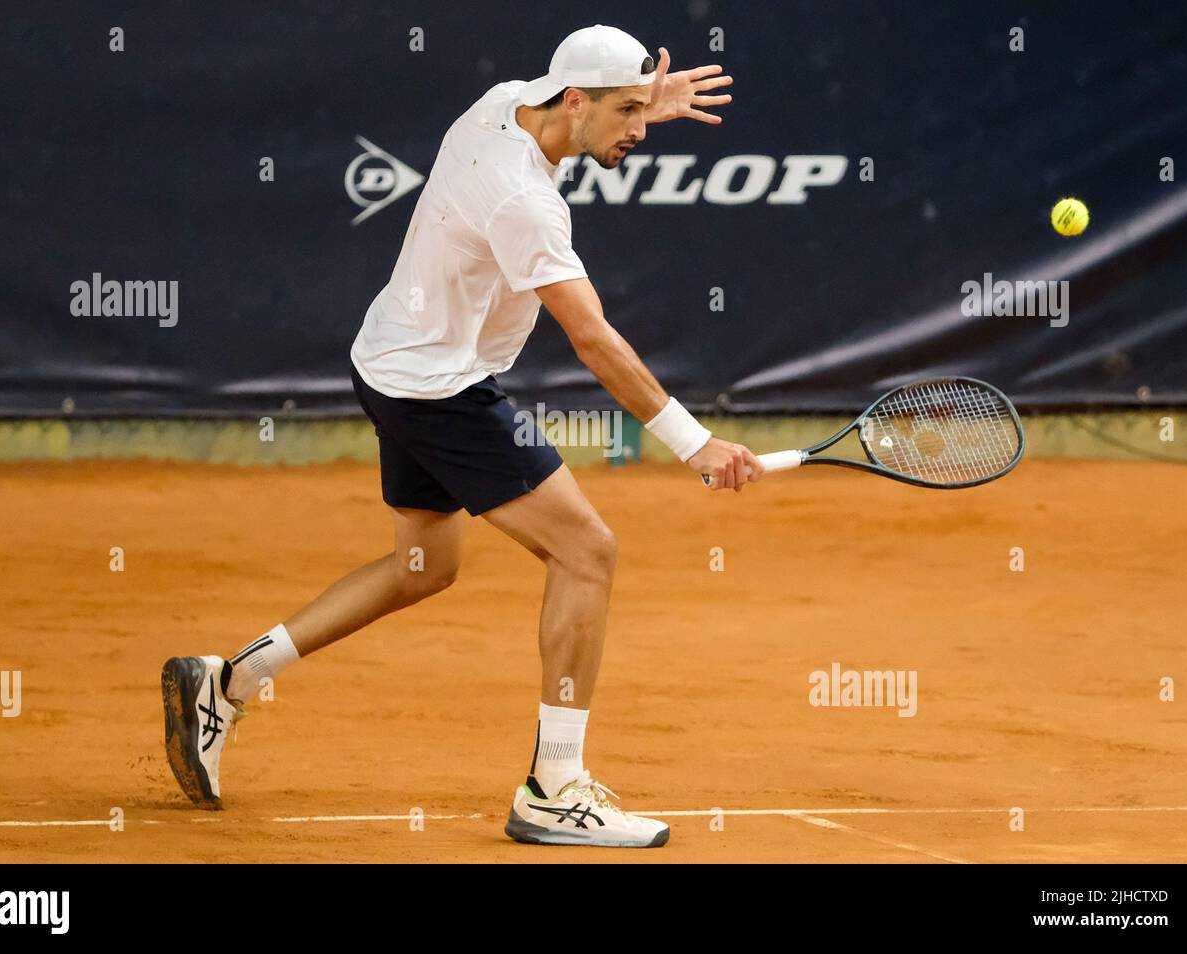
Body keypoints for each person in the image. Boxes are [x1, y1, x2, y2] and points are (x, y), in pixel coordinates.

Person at [161, 23, 761, 848]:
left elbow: (575, 102)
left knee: (424, 566)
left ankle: (226, 682)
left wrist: (642, 100)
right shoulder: (524, 202)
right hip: (442, 390)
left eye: (639, 111)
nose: (638, 130)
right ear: (577, 100)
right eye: (625, 112)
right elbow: (593, 340)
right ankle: (555, 789)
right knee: (587, 552)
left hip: (388, 362)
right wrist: (694, 442)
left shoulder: (504, 104)